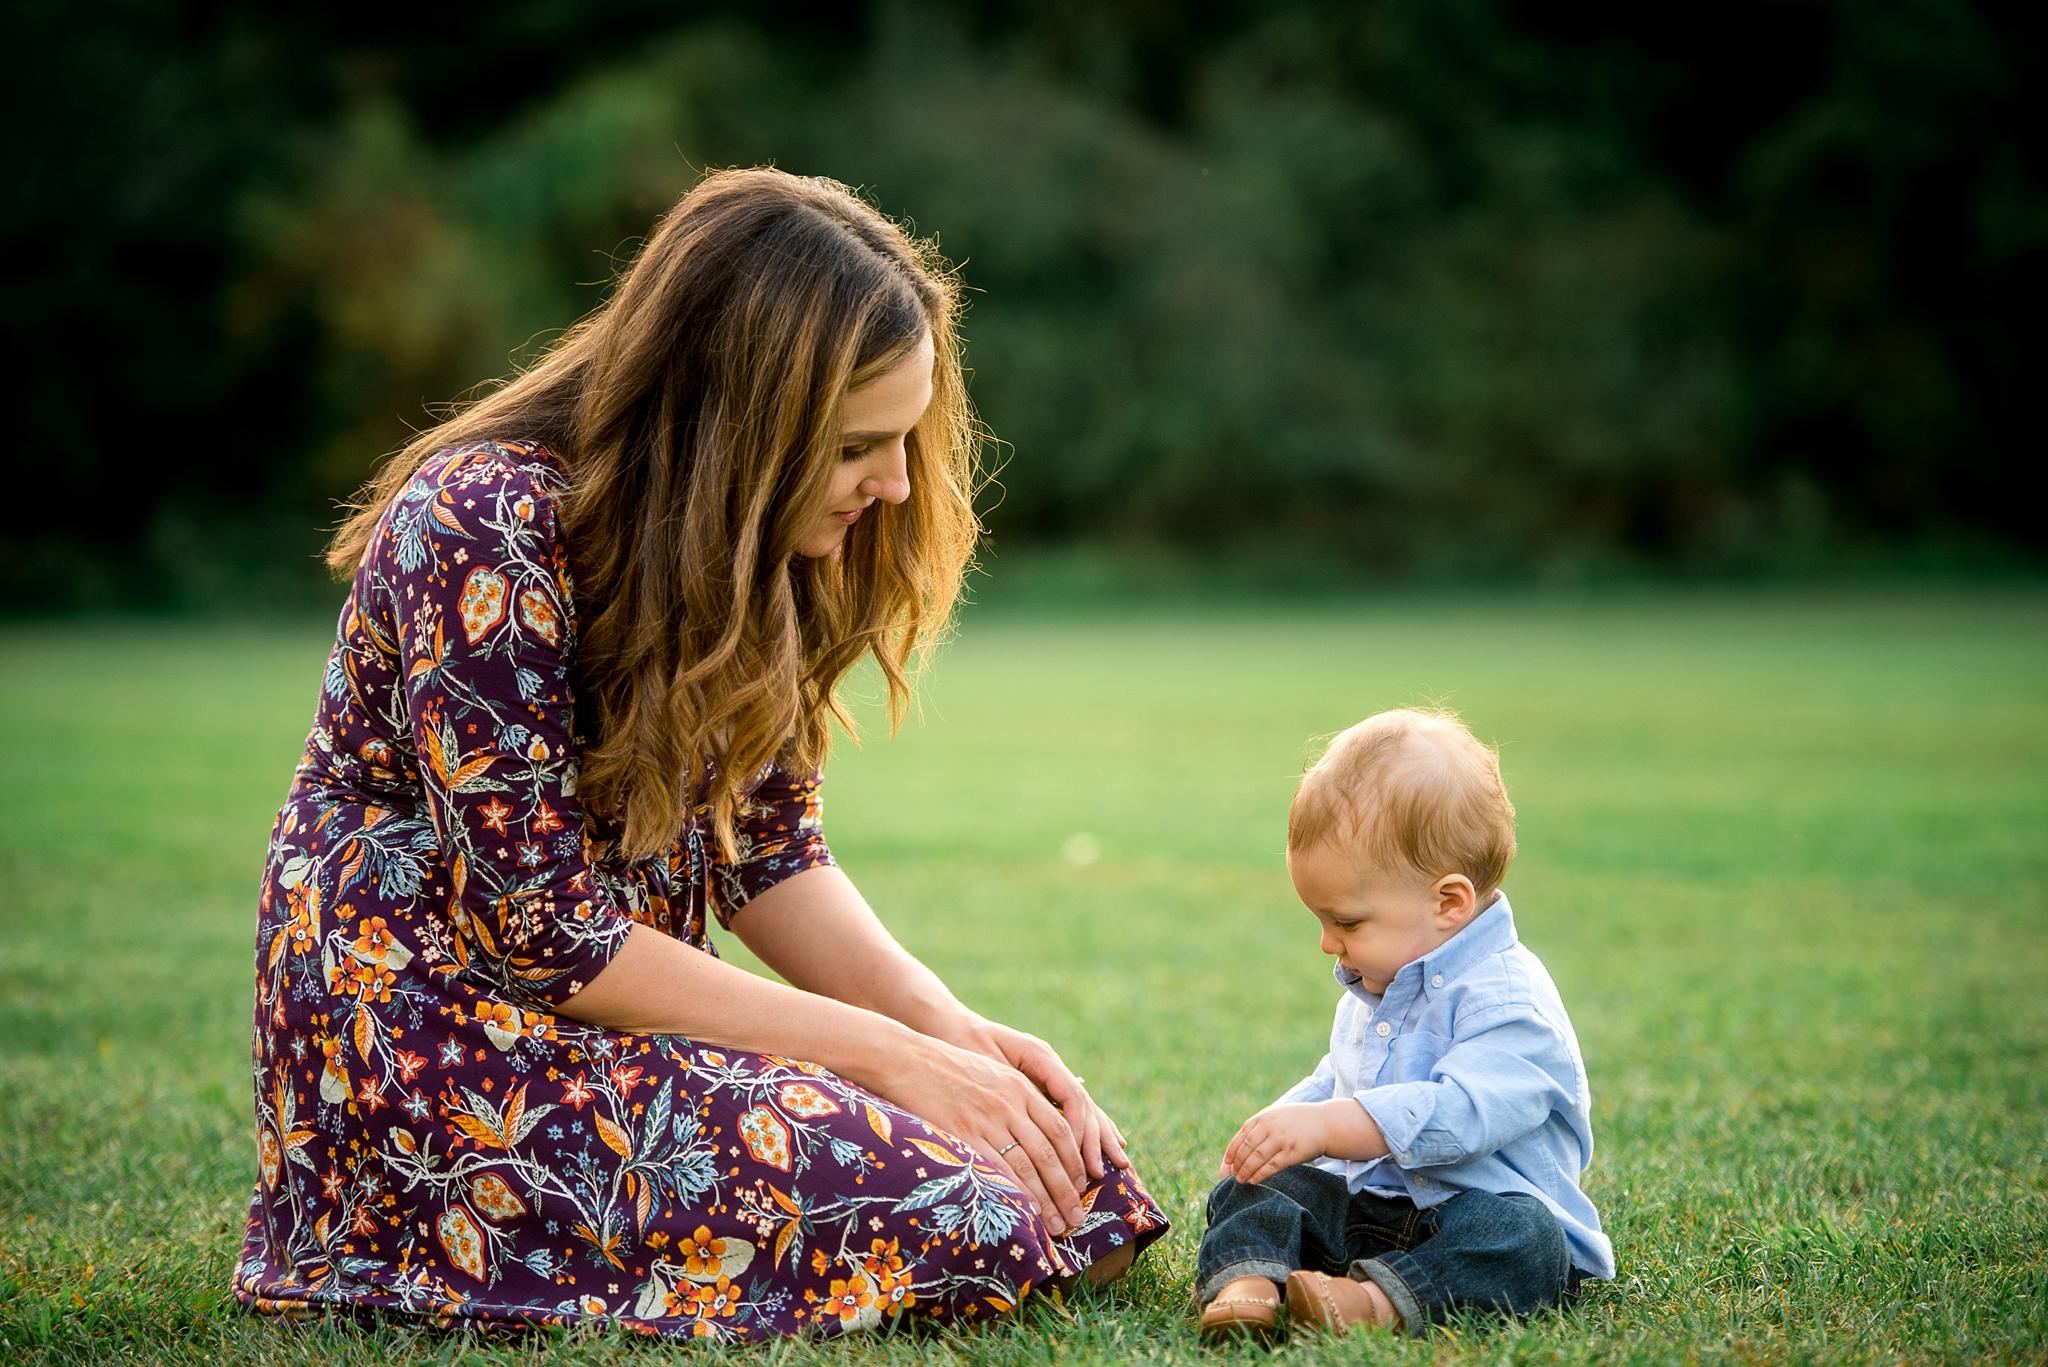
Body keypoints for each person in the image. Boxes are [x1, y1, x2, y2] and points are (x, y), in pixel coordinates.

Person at [235, 167, 1166, 1342]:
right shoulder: (483, 521)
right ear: (734, 422)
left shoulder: (750, 549)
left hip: (611, 1028)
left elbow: (769, 855)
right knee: (960, 1207)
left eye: (903, 438)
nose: (891, 483)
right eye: (854, 447)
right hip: (433, 1040)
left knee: (1075, 1184)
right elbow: (546, 934)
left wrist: (956, 1036)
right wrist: (892, 1063)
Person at [1194, 708, 1611, 1342]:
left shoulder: (1510, 1002)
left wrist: (1330, 1126)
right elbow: (1339, 1078)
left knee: (1527, 1242)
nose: (1329, 944)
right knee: (1258, 1189)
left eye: (1348, 922)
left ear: (1448, 903)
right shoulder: (1377, 980)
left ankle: (1375, 1306)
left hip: (1469, 1218)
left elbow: (1460, 1113)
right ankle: (1249, 1286)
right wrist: (1280, 1128)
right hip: (1372, 1211)